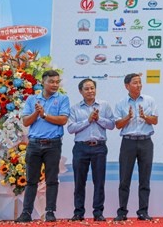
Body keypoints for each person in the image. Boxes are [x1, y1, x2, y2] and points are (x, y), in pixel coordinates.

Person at [16, 70, 70, 223]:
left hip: (53, 144)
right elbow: (26, 122)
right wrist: (36, 112)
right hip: (34, 145)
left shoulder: (63, 99)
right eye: (51, 81)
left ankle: (50, 212)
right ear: (42, 82)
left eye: (57, 82)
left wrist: (44, 115)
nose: (55, 84)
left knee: (52, 180)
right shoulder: (32, 99)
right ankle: (26, 213)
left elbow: (63, 120)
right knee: (31, 180)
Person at [67, 78, 115, 222]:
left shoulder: (104, 105)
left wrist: (98, 118)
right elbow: (70, 128)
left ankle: (98, 212)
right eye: (86, 89)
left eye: (92, 88)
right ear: (80, 91)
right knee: (79, 182)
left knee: (99, 182)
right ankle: (78, 213)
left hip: (99, 147)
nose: (90, 91)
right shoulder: (75, 108)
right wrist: (88, 120)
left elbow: (112, 125)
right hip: (80, 148)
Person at [114, 73, 159, 221]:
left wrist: (144, 117)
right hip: (128, 142)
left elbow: (155, 120)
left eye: (140, 83)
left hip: (146, 142)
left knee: (144, 179)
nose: (138, 85)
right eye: (135, 83)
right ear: (127, 86)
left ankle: (143, 212)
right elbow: (117, 125)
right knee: (124, 179)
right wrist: (127, 117)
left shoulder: (149, 100)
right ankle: (122, 212)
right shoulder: (121, 103)